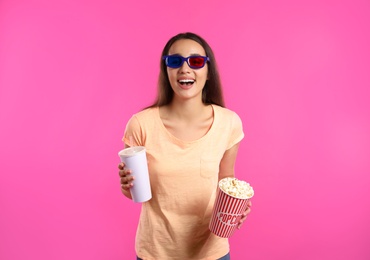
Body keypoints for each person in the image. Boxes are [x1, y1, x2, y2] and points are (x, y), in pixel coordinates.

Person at [118, 32, 252, 260]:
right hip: (156, 252)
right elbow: (135, 192)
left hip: (211, 252)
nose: (185, 69)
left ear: (208, 72)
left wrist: (238, 206)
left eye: (196, 61)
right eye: (175, 61)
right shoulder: (141, 124)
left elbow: (226, 179)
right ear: (166, 70)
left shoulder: (229, 122)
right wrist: (126, 185)